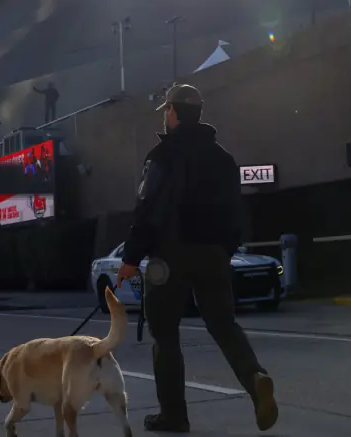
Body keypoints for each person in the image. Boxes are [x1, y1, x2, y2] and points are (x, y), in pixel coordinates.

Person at [115, 83, 278, 433]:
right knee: (224, 325)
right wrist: (224, 250)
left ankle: (174, 414)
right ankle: (255, 377)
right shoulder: (223, 159)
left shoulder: (162, 157)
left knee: (165, 335)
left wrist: (130, 258)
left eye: (166, 112)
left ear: (173, 112)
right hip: (214, 255)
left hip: (170, 257)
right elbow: (237, 213)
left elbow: (147, 211)